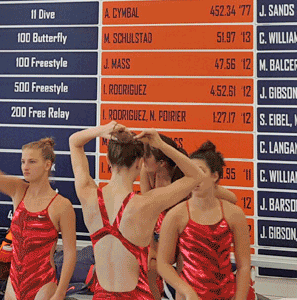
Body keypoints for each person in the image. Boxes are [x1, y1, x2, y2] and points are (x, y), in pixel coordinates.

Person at [69, 122, 206, 299]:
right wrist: (161, 144)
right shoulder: (146, 204)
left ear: (108, 160)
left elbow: (74, 141)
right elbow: (197, 176)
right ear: (139, 163)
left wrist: (101, 130)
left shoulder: (88, 195)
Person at [0, 137, 76, 300]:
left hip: (43, 285)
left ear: (47, 165)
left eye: (32, 162)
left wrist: (60, 292)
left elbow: (70, 253)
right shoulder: (19, 191)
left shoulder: (62, 205)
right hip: (13, 284)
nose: (25, 167)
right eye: (23, 162)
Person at [140, 137, 238, 300]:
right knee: (149, 266)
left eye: (147, 156)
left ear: (162, 162)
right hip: (160, 229)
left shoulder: (183, 178)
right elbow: (147, 212)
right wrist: (151, 246)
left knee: (183, 271)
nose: (142, 161)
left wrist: (207, 196)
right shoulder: (148, 173)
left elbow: (232, 198)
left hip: (183, 230)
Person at [156, 141, 253, 300]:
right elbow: (163, 264)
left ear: (214, 176)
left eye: (199, 172)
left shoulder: (234, 214)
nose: (194, 178)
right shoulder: (176, 215)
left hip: (225, 295)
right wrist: (186, 290)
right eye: (190, 172)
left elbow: (243, 266)